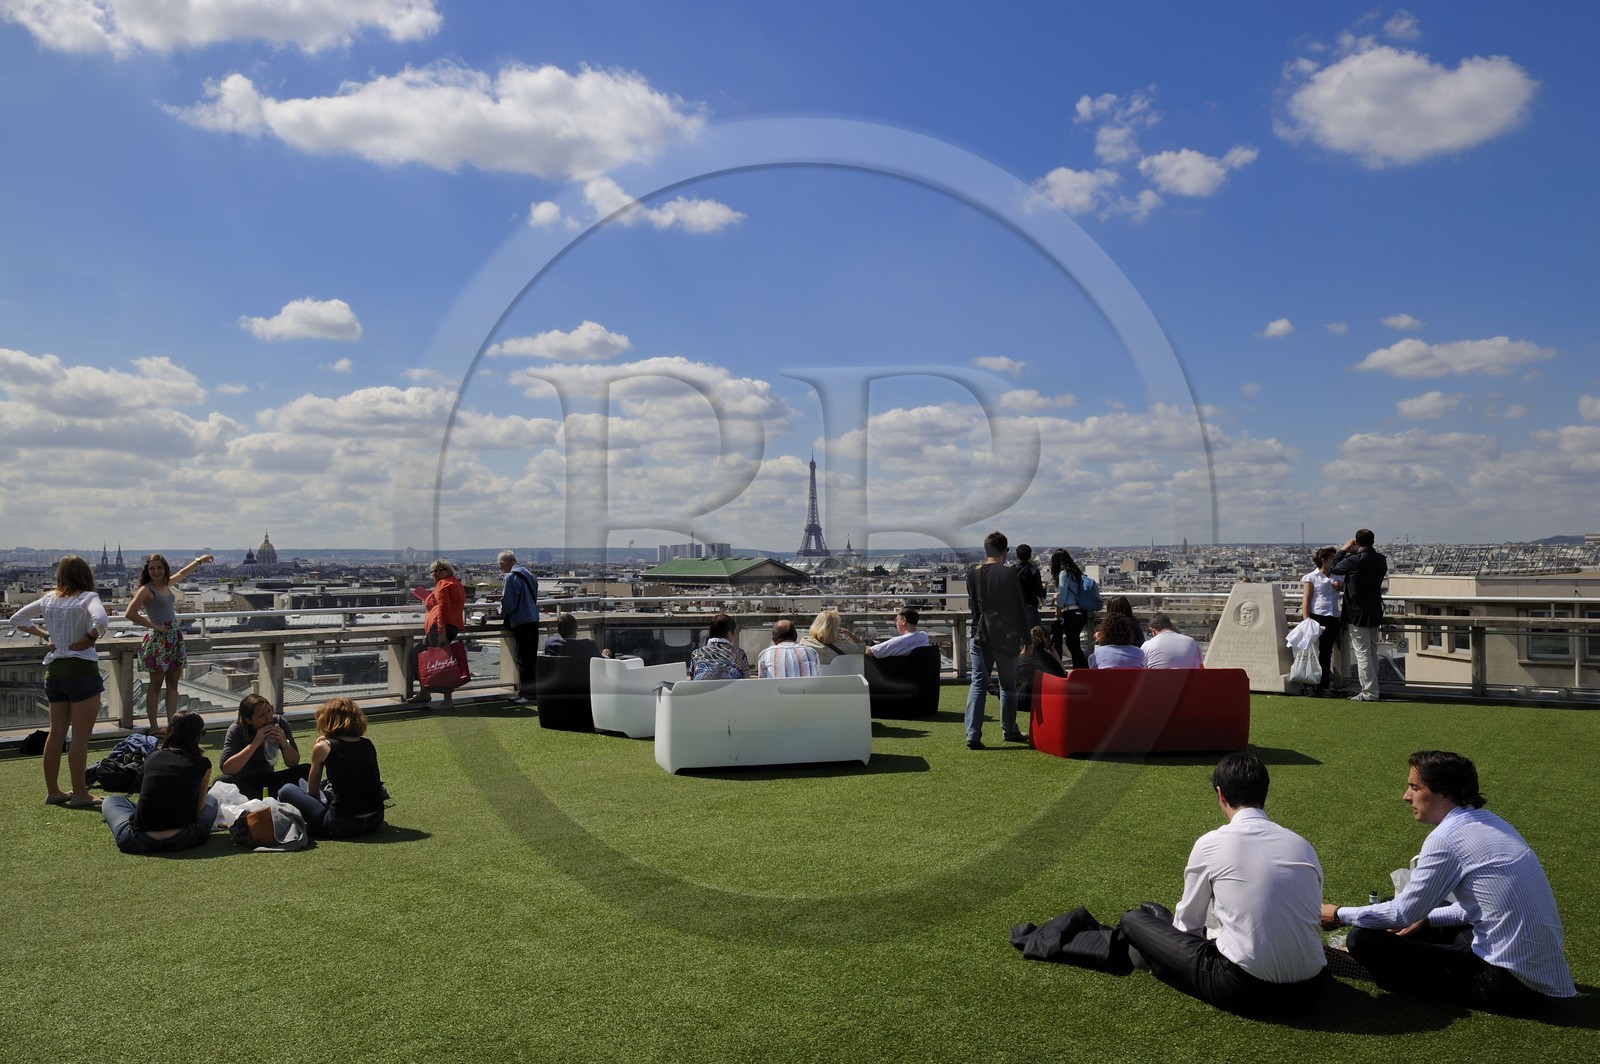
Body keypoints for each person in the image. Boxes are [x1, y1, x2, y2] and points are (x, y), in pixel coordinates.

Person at [1321, 751, 1575, 1012]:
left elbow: (1402, 913)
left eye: (1415, 787)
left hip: (1505, 984)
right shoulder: (1491, 821)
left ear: (1444, 794)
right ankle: (1408, 953)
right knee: (1418, 913)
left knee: (1363, 939)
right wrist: (1426, 919)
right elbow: (1480, 908)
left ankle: (1381, 968)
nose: (1406, 796)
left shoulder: (1446, 838)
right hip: (1535, 971)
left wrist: (1338, 914)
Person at [1119, 753, 1328, 1016]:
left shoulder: (1211, 844)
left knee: (1132, 920)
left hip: (1244, 987)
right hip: (1310, 991)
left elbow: (1187, 929)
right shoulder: (1302, 845)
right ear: (1264, 791)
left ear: (1220, 794)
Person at [11, 555, 110, 808]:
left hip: (54, 672)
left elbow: (16, 620)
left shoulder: (48, 599)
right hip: (82, 671)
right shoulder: (88, 598)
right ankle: (80, 793)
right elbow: (101, 621)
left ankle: (53, 790)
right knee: (80, 737)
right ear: (86, 575)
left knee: (55, 734)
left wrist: (46, 635)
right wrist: (89, 638)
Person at [101, 710, 219, 854]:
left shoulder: (152, 757)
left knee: (111, 801)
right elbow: (199, 808)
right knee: (211, 800)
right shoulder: (203, 764)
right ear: (197, 736)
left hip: (139, 840)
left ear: (169, 731)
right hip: (184, 838)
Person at [124, 552, 213, 733]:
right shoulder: (146, 589)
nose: (156, 571)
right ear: (147, 571)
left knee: (173, 684)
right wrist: (153, 626)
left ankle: (172, 725)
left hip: (173, 636)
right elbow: (129, 613)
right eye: (152, 568)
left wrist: (199, 561)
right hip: (159, 639)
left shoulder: (165, 585)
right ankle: (154, 727)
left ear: (164, 568)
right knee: (156, 685)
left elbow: (182, 573)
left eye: (159, 568)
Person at [276, 697, 386, 838]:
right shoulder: (367, 744)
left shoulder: (322, 747)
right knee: (327, 784)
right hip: (375, 820)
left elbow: (312, 791)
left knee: (286, 790)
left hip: (343, 824)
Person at [965, 530, 1030, 749]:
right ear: (1005, 551)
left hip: (979, 632)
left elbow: (974, 606)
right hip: (1005, 636)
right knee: (1007, 685)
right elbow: (1018, 609)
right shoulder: (1008, 573)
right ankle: (1009, 729)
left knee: (978, 683)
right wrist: (1027, 639)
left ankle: (973, 734)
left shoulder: (973, 573)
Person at [1332, 529, 1386, 701]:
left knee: (1362, 653)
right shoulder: (1381, 560)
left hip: (1357, 611)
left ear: (1357, 542)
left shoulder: (1354, 560)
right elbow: (1364, 580)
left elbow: (1335, 568)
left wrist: (1343, 550)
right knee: (1372, 651)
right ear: (1373, 541)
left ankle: (1370, 692)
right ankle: (1373, 689)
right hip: (1374, 609)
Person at [219, 693, 308, 799]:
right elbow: (227, 769)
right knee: (222, 781)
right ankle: (265, 798)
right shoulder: (237, 729)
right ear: (248, 720)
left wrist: (284, 742)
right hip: (244, 783)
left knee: (305, 769)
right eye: (261, 715)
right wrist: (254, 744)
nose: (268, 718)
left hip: (269, 779)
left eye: (269, 711)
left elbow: (293, 763)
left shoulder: (279, 723)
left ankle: (265, 797)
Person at [407, 559, 466, 708]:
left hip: (440, 627)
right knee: (436, 659)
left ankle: (444, 698)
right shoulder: (455, 583)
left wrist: (440, 631)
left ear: (447, 570)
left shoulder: (443, 584)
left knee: (437, 662)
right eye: (432, 571)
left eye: (439, 570)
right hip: (450, 626)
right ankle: (426, 691)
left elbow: (443, 608)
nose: (435, 573)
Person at [1300, 547, 1343, 697]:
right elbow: (1306, 600)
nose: (1334, 562)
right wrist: (1306, 620)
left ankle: (1323, 685)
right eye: (1331, 559)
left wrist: (1341, 588)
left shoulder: (1338, 577)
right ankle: (1309, 683)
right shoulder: (1311, 577)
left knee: (1326, 653)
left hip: (1332, 617)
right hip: (1316, 617)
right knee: (1311, 652)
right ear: (1323, 560)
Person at [498, 550, 539, 704]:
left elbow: (508, 604)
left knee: (522, 658)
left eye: (501, 566)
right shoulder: (529, 574)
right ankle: (531, 692)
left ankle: (527, 694)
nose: (501, 569)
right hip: (533, 618)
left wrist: (500, 611)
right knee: (531, 658)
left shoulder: (510, 577)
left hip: (521, 620)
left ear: (504, 563)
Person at [1049, 549, 1092, 669]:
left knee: (1072, 644)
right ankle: (1081, 669)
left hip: (1071, 612)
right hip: (1081, 611)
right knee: (1074, 643)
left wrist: (1058, 611)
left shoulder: (1064, 573)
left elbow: (1063, 593)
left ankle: (1082, 670)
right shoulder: (1075, 572)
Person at [1014, 624, 1067, 722]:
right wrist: (1056, 656)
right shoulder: (1050, 660)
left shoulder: (1019, 659)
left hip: (1020, 699)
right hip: (1042, 700)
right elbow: (1063, 677)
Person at [687, 613, 752, 680]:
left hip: (703, 687)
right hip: (732, 687)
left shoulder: (696, 654)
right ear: (729, 633)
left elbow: (693, 678)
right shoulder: (739, 654)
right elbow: (746, 679)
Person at [799, 608, 865, 664]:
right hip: (839, 675)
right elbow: (863, 648)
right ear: (835, 628)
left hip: (815, 675)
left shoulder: (805, 643)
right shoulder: (845, 644)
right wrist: (850, 634)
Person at [865, 607, 930, 658]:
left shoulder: (898, 642)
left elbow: (870, 651)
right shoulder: (924, 636)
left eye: (897, 620)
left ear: (903, 620)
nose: (896, 624)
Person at [544, 612, 610, 659]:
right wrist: (605, 655)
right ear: (575, 629)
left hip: (559, 675)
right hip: (583, 675)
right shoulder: (589, 645)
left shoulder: (550, 644)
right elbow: (600, 662)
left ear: (559, 631)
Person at [1014, 543, 1046, 630]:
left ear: (1017, 555)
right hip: (1030, 607)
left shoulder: (1010, 570)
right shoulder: (1033, 570)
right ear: (1030, 555)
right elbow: (1039, 592)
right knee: (1034, 635)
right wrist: (1044, 589)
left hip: (1015, 608)